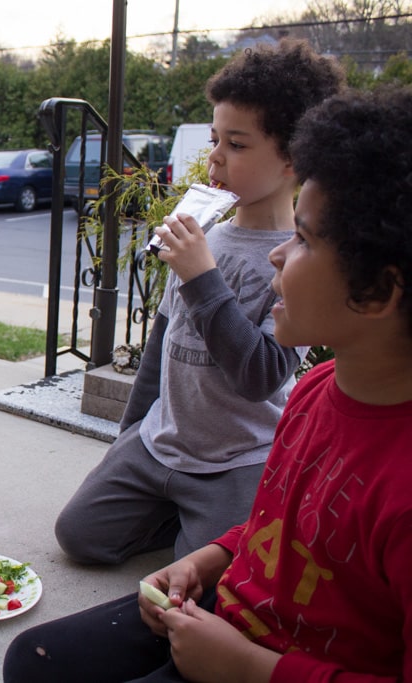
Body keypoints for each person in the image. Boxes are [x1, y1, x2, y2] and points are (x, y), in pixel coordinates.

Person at [5, 84, 412, 683]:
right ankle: (177, 518)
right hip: (216, 562)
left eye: (303, 240)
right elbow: (282, 521)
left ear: (377, 290)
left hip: (258, 622)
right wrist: (219, 553)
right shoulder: (321, 390)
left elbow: (260, 377)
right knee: (33, 650)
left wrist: (250, 667)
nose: (280, 256)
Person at [55, 40, 347, 564]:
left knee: (211, 576)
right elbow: (161, 343)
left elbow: (262, 375)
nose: (213, 157)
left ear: (292, 159)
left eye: (236, 144)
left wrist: (202, 277)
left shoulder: (295, 261)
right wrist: (128, 437)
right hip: (161, 441)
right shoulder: (203, 231)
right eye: (215, 138)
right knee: (80, 538)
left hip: (234, 457)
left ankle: (201, 516)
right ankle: (169, 510)